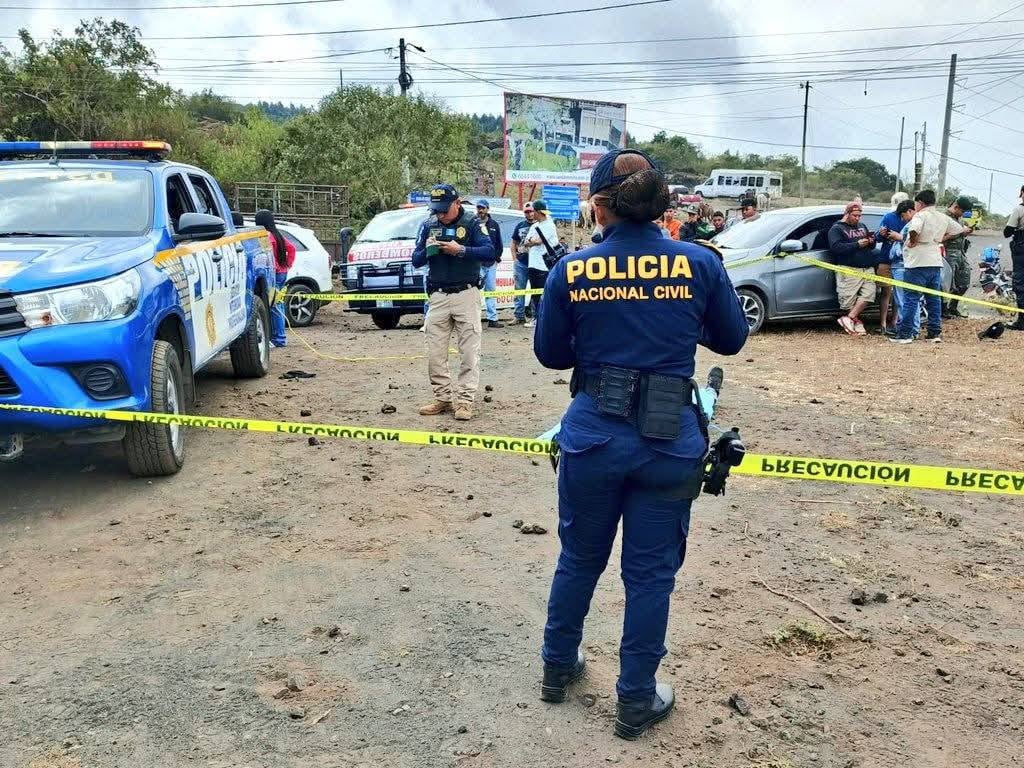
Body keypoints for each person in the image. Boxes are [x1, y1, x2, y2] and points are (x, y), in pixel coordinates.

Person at [533, 149, 748, 740]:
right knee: (651, 575)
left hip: (593, 435)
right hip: (667, 441)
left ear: (600, 205)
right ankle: (635, 700)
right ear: (659, 203)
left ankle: (557, 668)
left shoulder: (571, 269)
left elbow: (551, 354)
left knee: (578, 557)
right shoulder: (700, 264)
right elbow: (731, 340)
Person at [411, 183, 497, 420]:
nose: (440, 214)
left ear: (457, 203)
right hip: (438, 295)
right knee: (435, 354)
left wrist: (461, 250)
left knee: (469, 352)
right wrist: (428, 250)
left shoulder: (472, 224)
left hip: (466, 294)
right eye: (436, 209)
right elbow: (415, 260)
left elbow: (490, 252)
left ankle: (465, 401)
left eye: (444, 209)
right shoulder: (428, 225)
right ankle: (442, 398)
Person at [891, 189, 965, 344]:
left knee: (911, 299)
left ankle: (905, 334)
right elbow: (959, 229)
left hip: (917, 262)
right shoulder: (941, 216)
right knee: (933, 299)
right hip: (935, 261)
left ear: (920, 203)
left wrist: (912, 241)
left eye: (916, 203)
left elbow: (914, 229)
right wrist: (941, 238)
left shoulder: (920, 215)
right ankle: (934, 333)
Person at [827, 202, 876, 336]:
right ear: (847, 214)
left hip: (867, 268)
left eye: (859, 215)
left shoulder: (862, 226)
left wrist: (871, 241)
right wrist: (856, 244)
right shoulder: (836, 229)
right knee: (848, 300)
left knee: (869, 294)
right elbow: (836, 248)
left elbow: (871, 246)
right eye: (854, 215)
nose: (857, 218)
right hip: (849, 269)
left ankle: (849, 318)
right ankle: (856, 321)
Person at [255, 209, 296, 348]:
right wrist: (287, 265)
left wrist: (275, 267)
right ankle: (279, 337)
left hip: (274, 274)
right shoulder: (277, 235)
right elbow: (292, 249)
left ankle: (279, 339)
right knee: (278, 304)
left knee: (274, 306)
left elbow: (268, 257)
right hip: (282, 273)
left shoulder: (266, 237)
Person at [875, 192, 911, 336]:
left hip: (904, 261)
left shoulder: (913, 220)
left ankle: (894, 322)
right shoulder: (888, 217)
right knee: (886, 292)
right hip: (886, 259)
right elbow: (877, 237)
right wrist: (882, 234)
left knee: (899, 294)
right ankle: (882, 323)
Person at [520, 199, 557, 328]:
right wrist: (532, 240)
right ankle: (536, 317)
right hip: (533, 264)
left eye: (533, 211)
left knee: (544, 293)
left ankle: (545, 318)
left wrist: (533, 241)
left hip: (545, 265)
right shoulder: (534, 226)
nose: (531, 214)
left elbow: (539, 241)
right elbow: (526, 241)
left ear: (538, 212)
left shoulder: (550, 225)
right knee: (535, 293)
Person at [941, 195, 975, 319]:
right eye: (962, 211)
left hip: (960, 252)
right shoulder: (943, 217)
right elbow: (941, 237)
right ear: (956, 207)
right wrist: (960, 232)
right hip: (948, 252)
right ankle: (943, 309)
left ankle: (953, 306)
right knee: (947, 283)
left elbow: (960, 232)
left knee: (964, 281)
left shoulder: (959, 219)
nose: (962, 214)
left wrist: (966, 232)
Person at [887, 199, 917, 333]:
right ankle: (910, 329)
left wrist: (897, 236)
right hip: (905, 266)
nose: (902, 219)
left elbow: (912, 242)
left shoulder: (913, 225)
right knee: (909, 300)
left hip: (902, 265)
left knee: (903, 300)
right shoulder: (914, 223)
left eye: (903, 215)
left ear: (910, 211)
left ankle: (907, 330)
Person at [476, 200, 505, 329]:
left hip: (491, 264)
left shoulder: (494, 224)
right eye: (478, 208)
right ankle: (474, 319)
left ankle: (492, 319)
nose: (480, 210)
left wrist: (495, 258)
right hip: (477, 264)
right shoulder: (473, 223)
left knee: (491, 291)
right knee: (474, 291)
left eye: (482, 208)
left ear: (487, 209)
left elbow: (499, 244)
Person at [510, 202, 536, 325]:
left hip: (536, 263)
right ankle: (519, 315)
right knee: (519, 290)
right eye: (526, 211)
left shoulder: (540, 225)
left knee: (536, 290)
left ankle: (535, 316)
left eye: (531, 211)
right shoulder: (519, 225)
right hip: (521, 262)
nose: (529, 214)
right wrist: (514, 258)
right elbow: (514, 243)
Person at [1003, 185, 1024, 331]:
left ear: (1022, 193)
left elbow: (1007, 232)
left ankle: (1022, 321)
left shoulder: (1019, 209)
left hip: (1021, 249)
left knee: (1020, 284)